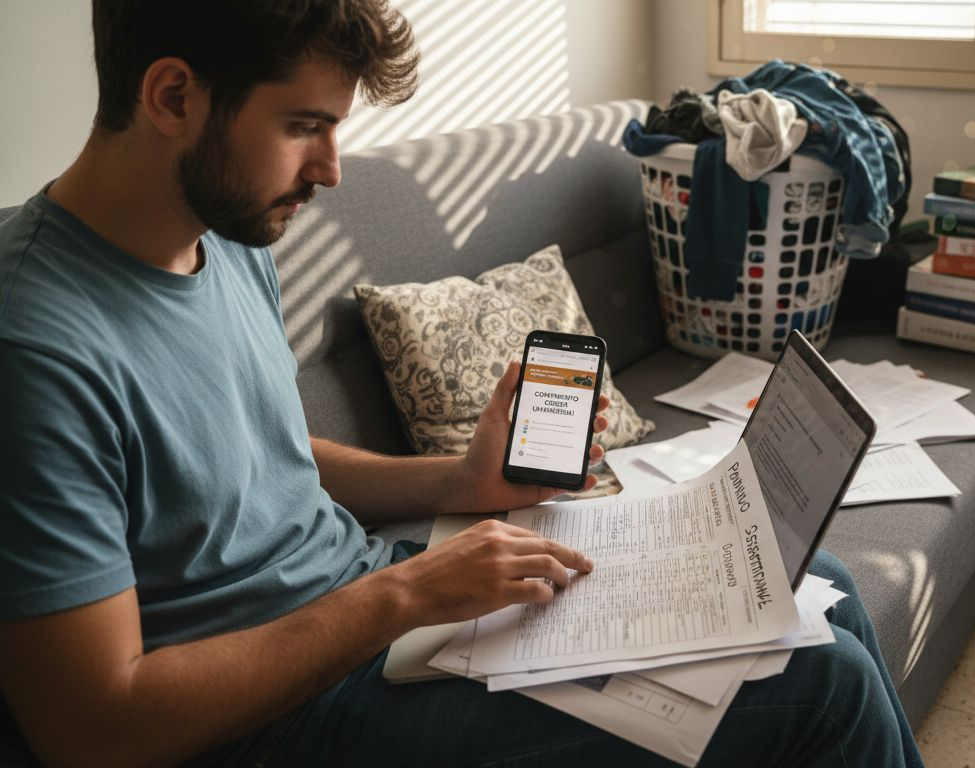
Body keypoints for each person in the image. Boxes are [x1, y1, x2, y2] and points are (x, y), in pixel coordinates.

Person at [0, 2, 925, 766]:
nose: (328, 170)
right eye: (304, 126)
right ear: (172, 95)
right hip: (281, 717)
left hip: (371, 620)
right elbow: (93, 728)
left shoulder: (223, 234)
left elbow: (259, 455)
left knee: (811, 583)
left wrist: (458, 486)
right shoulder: (36, 347)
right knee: (821, 685)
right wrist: (410, 595)